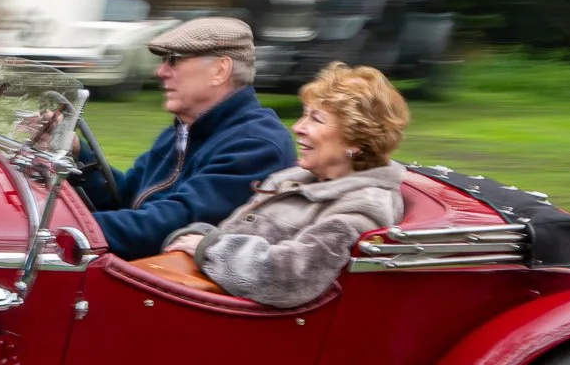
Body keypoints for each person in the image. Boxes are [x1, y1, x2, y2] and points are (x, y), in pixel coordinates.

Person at [157, 62, 411, 307]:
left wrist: (208, 246)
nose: (298, 127)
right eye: (304, 115)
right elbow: (231, 239)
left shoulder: (362, 207)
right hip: (210, 296)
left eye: (317, 119)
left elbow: (291, 277)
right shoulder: (292, 179)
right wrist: (200, 238)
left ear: (356, 142)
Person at [73, 16, 296, 260]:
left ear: (219, 70)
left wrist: (66, 228)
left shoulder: (256, 144)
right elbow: (129, 198)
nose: (160, 71)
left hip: (178, 285)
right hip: (147, 273)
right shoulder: (182, 131)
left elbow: (172, 225)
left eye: (174, 60)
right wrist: (77, 154)